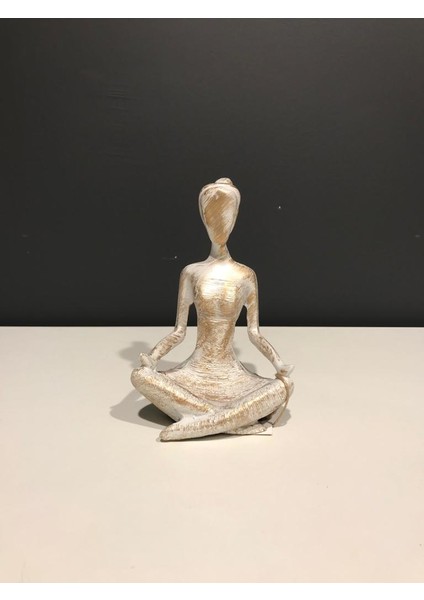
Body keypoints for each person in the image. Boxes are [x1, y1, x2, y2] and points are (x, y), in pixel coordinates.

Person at [131, 178, 294, 441]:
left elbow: (254, 333)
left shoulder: (245, 275)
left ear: (234, 219)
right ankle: (228, 421)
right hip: (194, 373)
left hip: (233, 376)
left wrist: (279, 363)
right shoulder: (192, 272)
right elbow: (179, 331)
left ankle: (197, 423)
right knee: (140, 376)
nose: (220, 224)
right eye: (212, 217)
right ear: (204, 219)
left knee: (284, 386)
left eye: (226, 217)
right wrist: (153, 358)